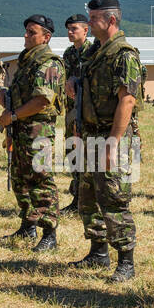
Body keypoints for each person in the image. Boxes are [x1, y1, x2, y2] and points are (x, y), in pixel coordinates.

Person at [71, 0, 141, 283]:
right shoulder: (95, 53)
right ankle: (98, 251)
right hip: (89, 134)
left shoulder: (124, 54)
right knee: (87, 197)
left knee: (114, 200)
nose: (89, 22)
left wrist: (113, 142)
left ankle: (126, 261)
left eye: (95, 18)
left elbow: (127, 100)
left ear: (111, 20)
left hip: (112, 138)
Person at [0, 15, 65, 251]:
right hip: (21, 128)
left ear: (46, 37)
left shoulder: (48, 63)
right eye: (26, 31)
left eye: (32, 32)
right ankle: (28, 225)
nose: (26, 35)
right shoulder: (27, 61)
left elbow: (41, 101)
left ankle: (49, 233)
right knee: (20, 178)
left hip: (38, 130)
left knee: (41, 179)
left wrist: (14, 115)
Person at [61, 14, 90, 212]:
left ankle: (87, 201)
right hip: (71, 110)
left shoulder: (94, 52)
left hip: (87, 111)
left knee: (87, 155)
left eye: (74, 29)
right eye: (69, 29)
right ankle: (77, 199)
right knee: (72, 152)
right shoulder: (69, 53)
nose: (70, 33)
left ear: (86, 30)